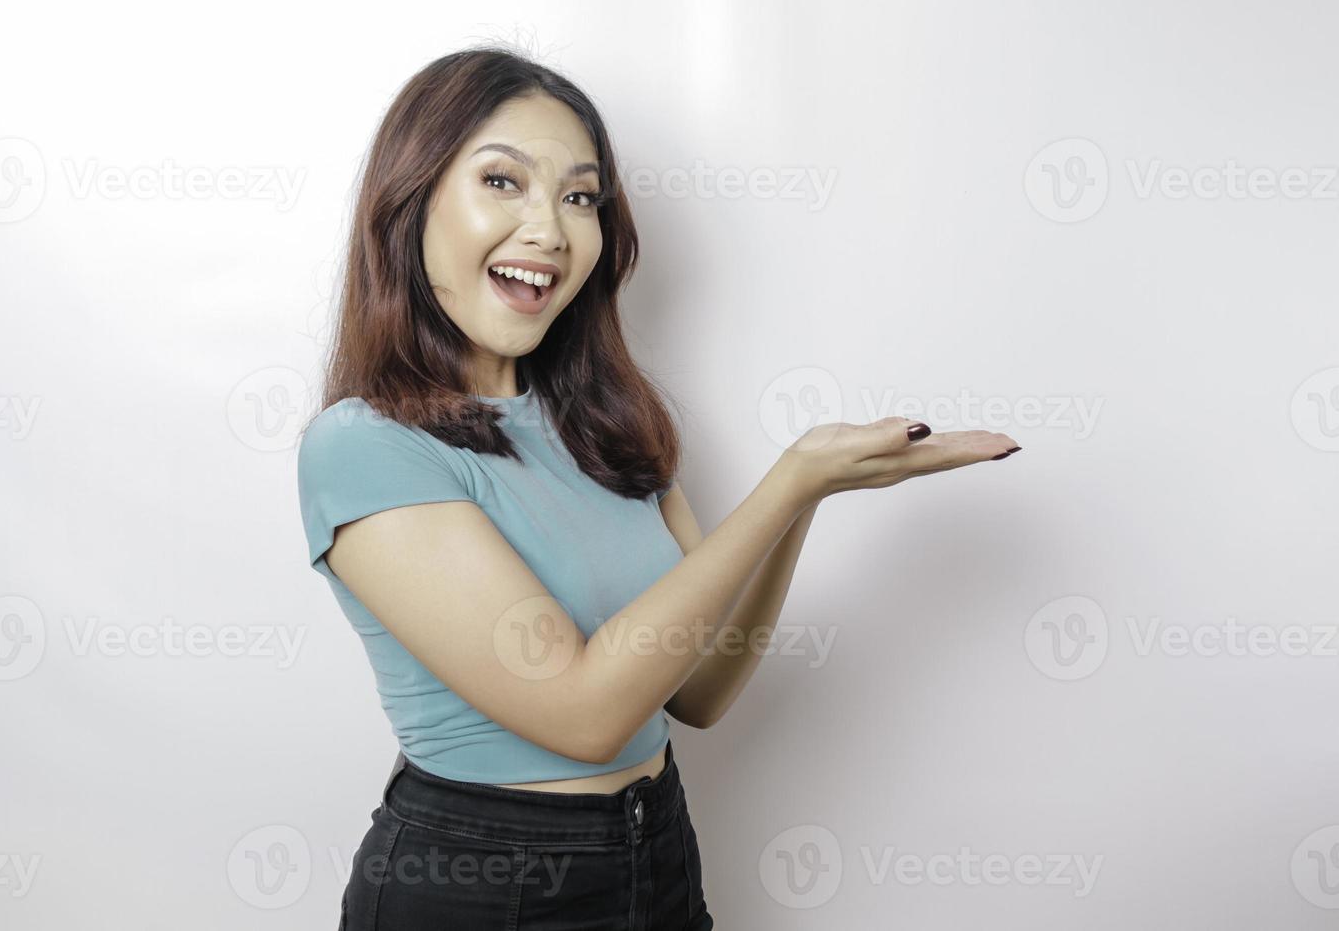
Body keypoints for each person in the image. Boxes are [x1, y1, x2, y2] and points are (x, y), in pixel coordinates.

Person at [296, 45, 1020, 931]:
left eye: (579, 196)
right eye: (502, 182)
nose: (550, 230)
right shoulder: (366, 448)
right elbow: (584, 713)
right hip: (484, 882)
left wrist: (802, 499)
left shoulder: (603, 425)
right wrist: (788, 479)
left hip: (658, 852)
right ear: (410, 206)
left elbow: (700, 693)